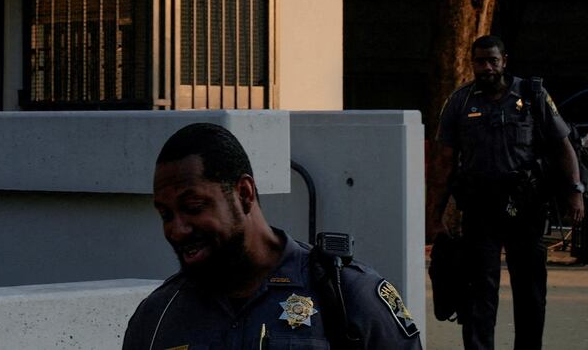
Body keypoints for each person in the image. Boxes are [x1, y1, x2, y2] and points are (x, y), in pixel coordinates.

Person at [123, 122, 423, 349]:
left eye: (193, 207)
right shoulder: (158, 315)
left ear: (243, 193)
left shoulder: (348, 297)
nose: (177, 229)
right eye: (165, 214)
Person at [431, 34, 585, 350]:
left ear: (505, 60)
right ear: (472, 62)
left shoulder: (533, 96)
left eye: (492, 60)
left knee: (529, 290)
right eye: (479, 61)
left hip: (526, 206)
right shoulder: (459, 101)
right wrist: (434, 214)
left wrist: (575, 192)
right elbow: (445, 163)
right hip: (478, 208)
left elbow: (562, 146)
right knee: (478, 291)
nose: (486, 67)